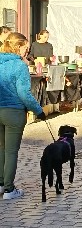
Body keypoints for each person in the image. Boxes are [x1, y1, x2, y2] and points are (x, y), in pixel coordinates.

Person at [0, 32, 45, 200]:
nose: (27, 51)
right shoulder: (19, 66)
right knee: (11, 152)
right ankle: (9, 190)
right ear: (18, 47)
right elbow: (24, 93)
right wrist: (38, 110)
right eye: (26, 48)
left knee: (1, 149)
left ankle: (0, 184)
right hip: (13, 112)